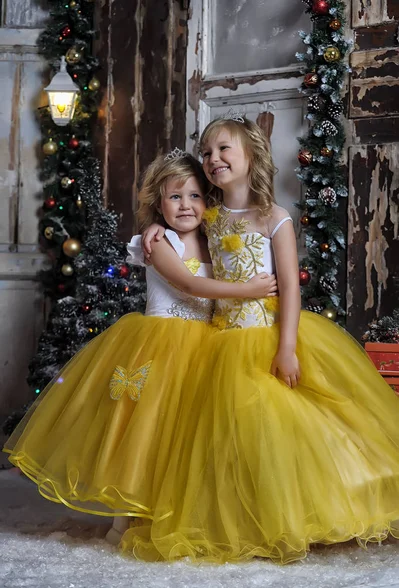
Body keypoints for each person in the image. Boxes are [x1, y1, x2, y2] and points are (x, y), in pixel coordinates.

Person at [123, 114, 399, 564]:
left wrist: (286, 347)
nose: (213, 159)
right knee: (219, 435)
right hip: (217, 342)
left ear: (252, 154)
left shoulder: (274, 216)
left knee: (281, 427)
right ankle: (234, 516)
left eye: (224, 149)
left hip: (265, 335)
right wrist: (156, 227)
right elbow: (180, 239)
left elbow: (290, 285)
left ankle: (300, 511)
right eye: (207, 152)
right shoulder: (207, 216)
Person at [3, 150, 276, 545]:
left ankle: (183, 513)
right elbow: (189, 284)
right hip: (161, 345)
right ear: (158, 203)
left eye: (196, 196)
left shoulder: (213, 239)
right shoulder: (158, 240)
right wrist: (246, 289)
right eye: (175, 197)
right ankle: (124, 517)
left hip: (207, 347)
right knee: (144, 435)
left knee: (186, 437)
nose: (186, 205)